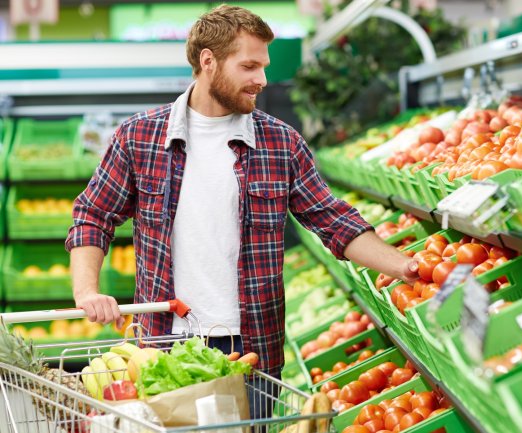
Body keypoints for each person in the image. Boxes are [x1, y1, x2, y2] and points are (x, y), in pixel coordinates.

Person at [65, 2, 418, 411]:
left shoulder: (280, 143)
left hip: (252, 351)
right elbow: (93, 214)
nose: (262, 80)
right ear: (208, 61)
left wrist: (405, 267)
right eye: (249, 67)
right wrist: (87, 291)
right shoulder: (140, 137)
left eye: (263, 67)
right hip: (163, 345)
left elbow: (334, 221)